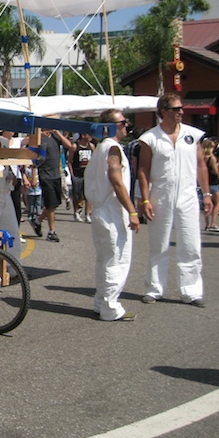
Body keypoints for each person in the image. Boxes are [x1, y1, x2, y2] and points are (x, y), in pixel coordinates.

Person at [137, 94, 210, 307]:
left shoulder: (192, 136)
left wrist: (206, 194)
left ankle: (191, 291)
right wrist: (145, 199)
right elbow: (143, 169)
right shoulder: (150, 138)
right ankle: (154, 288)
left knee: (190, 245)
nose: (181, 112)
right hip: (161, 196)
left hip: (187, 196)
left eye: (181, 108)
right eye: (176, 108)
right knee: (158, 245)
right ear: (164, 111)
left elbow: (200, 165)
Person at [86, 109, 139, 321]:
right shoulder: (113, 148)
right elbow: (117, 181)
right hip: (111, 211)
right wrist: (132, 211)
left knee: (104, 260)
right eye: (123, 122)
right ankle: (111, 307)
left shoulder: (101, 148)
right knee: (116, 260)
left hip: (100, 210)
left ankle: (101, 302)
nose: (127, 126)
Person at [32, 128, 74, 243]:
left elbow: (69, 145)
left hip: (56, 174)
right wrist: (34, 175)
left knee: (55, 203)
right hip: (45, 174)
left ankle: (38, 221)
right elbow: (34, 156)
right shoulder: (40, 137)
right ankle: (51, 232)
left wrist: (58, 133)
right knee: (50, 204)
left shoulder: (56, 137)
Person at [70, 132, 94, 223]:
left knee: (88, 195)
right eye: (89, 134)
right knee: (77, 195)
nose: (90, 137)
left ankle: (87, 214)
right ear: (83, 135)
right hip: (77, 174)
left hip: (88, 174)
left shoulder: (91, 146)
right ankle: (76, 212)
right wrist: (72, 175)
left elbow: (94, 160)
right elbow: (70, 161)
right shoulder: (75, 147)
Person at [202, 139, 219, 233]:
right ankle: (213, 224)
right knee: (218, 203)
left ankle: (207, 224)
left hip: (204, 182)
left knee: (207, 204)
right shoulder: (212, 158)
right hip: (213, 182)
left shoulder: (201, 157)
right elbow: (215, 171)